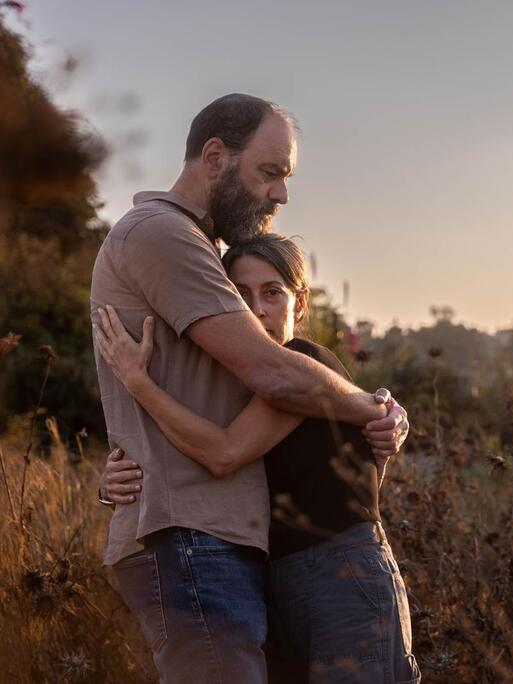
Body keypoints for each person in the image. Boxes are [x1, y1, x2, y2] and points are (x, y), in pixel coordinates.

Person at [90, 93, 410, 682]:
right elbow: (266, 380)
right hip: (192, 538)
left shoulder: (201, 253)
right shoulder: (163, 234)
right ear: (215, 156)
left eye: (273, 293)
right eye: (271, 173)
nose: (281, 196)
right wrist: (372, 405)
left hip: (232, 547)